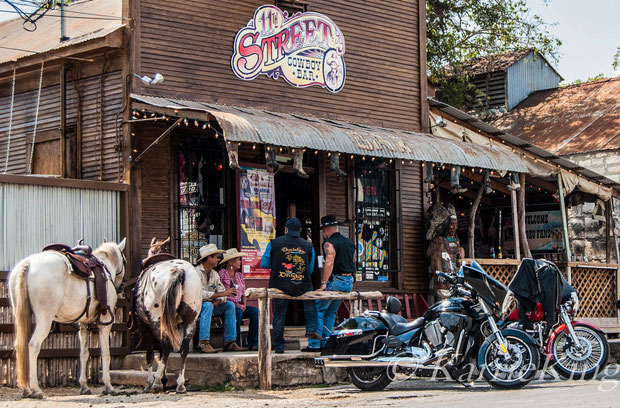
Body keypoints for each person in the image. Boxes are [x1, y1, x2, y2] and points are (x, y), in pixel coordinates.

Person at [261, 217, 320, 354]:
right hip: (301, 285)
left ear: (285, 229)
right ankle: (311, 330)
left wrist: (277, 265)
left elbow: (264, 264)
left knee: (279, 315)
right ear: (300, 230)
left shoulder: (274, 243)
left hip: (279, 285)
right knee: (310, 307)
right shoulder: (308, 246)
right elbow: (310, 270)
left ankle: (279, 346)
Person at [306, 215, 355, 351]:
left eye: (323, 231)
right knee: (331, 312)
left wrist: (323, 283)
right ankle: (326, 344)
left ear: (327, 229)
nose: (323, 233)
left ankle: (315, 344)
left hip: (337, 280)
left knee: (318, 308)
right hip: (349, 281)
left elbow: (329, 261)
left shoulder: (329, 243)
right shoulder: (349, 242)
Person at [195, 244, 245, 353]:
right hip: (196, 307)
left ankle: (230, 342)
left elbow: (223, 292)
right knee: (207, 305)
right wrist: (220, 295)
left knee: (229, 305)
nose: (218, 259)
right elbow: (199, 293)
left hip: (212, 306)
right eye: (217, 257)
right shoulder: (195, 273)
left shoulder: (214, 274)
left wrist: (218, 300)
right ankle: (203, 342)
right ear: (209, 258)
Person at [218, 248, 259, 351]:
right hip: (228, 305)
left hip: (240, 304)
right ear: (230, 262)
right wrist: (236, 305)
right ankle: (236, 343)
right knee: (237, 311)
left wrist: (244, 304)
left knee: (255, 312)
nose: (240, 262)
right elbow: (220, 292)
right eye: (238, 260)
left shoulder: (239, 275)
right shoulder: (221, 274)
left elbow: (244, 292)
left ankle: (253, 343)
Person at [428, 205, 465, 301]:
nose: (454, 227)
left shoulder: (457, 242)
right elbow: (436, 263)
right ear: (446, 225)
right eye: (451, 224)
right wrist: (439, 281)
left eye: (455, 224)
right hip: (442, 281)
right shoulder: (438, 241)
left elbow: (459, 263)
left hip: (454, 281)